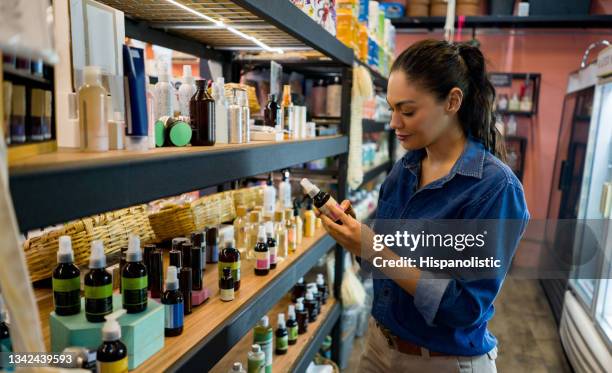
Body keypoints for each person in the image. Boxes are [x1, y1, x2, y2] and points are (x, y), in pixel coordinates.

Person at [317, 40, 529, 372]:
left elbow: (463, 307)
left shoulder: (495, 189)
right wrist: (356, 236)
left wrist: (373, 250)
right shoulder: (407, 168)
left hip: (441, 361)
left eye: (408, 110)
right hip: (379, 347)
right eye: (391, 108)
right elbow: (388, 263)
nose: (393, 123)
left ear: (453, 101)